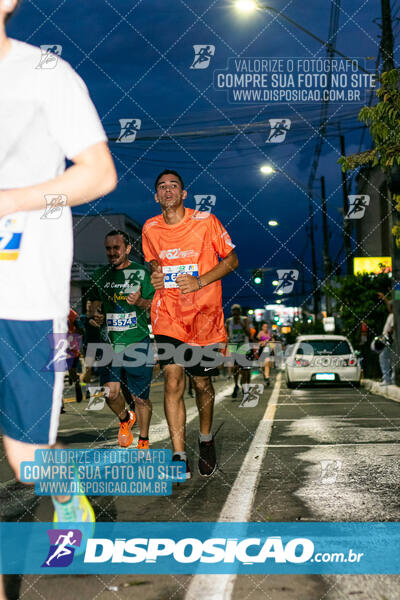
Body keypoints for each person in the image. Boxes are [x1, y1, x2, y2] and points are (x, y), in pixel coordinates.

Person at [0, 3, 117, 594]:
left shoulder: (47, 75)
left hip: (21, 296)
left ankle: (67, 497)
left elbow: (97, 175)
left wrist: (12, 199)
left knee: (28, 460)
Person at [142, 169, 238, 479]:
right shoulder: (150, 227)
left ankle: (206, 438)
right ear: (157, 196)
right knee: (172, 379)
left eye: (174, 186)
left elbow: (232, 260)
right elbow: (153, 259)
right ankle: (178, 454)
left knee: (202, 383)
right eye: (162, 187)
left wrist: (199, 282)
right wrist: (155, 272)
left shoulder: (206, 222)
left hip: (203, 318)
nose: (168, 190)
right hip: (168, 315)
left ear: (184, 194)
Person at [87, 230, 154, 449]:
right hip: (110, 343)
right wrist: (95, 316)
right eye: (108, 248)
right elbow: (94, 304)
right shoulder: (100, 274)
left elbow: (154, 305)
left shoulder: (142, 273)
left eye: (117, 248)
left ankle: (143, 439)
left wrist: (140, 302)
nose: (112, 252)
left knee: (141, 397)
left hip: (138, 341)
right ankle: (125, 418)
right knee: (110, 393)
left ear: (127, 249)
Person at [225, 304, 253, 398]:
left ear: (240, 311)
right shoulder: (229, 321)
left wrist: (242, 325)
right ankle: (236, 385)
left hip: (243, 344)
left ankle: (244, 386)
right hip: (233, 344)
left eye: (237, 310)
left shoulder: (244, 320)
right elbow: (226, 333)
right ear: (232, 312)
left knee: (244, 369)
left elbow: (249, 334)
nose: (235, 312)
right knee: (235, 367)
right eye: (234, 311)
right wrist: (227, 340)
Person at [377, 293, 394, 385]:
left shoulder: (395, 316)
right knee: (391, 358)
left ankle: (387, 379)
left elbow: (392, 328)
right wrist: (385, 299)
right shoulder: (392, 315)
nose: (388, 307)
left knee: (383, 357)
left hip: (389, 340)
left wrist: (386, 338)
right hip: (389, 339)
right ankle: (392, 379)